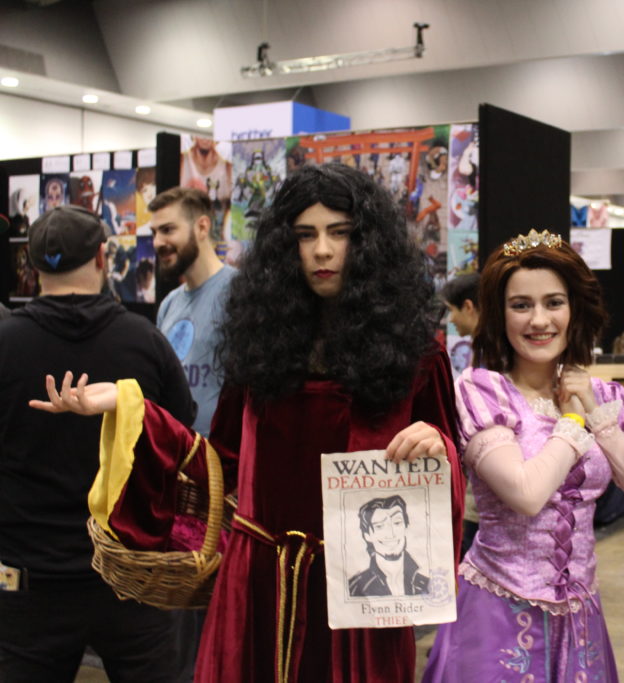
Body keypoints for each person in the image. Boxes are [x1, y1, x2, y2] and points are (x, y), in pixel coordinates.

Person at [31, 163, 465, 683]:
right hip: (257, 585)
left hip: (362, 593)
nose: (322, 250)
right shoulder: (261, 345)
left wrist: (434, 444)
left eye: (340, 233)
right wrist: (132, 410)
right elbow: (219, 466)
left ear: (368, 242)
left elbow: (448, 472)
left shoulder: (418, 357)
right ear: (285, 245)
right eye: (305, 235)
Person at [423, 232, 624, 682]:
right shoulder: (483, 390)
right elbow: (527, 493)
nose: (539, 320)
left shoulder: (601, 395)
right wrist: (572, 423)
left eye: (554, 303)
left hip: (581, 619)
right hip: (496, 614)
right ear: (500, 314)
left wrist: (598, 416)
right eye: (521, 305)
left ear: (574, 309)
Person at [0, 205, 194, 680]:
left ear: (32, 265)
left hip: (28, 581)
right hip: (131, 575)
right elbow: (181, 438)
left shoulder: (5, 342)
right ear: (104, 257)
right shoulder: (145, 341)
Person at [151, 187, 237, 438]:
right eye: (154, 233)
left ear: (202, 227)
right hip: (177, 451)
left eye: (168, 230)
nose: (157, 242)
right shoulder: (169, 304)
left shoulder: (239, 292)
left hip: (220, 452)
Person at [440, 272, 482, 559]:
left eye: (452, 310)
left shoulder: (490, 356)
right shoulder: (484, 350)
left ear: (468, 307)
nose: (451, 319)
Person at [347, 495, 429, 597]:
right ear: (367, 535)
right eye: (379, 526)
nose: (391, 534)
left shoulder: (427, 585)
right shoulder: (353, 588)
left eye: (397, 523)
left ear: (406, 527)